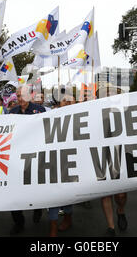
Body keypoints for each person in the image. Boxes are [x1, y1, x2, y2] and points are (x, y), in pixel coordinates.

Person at [8, 85, 46, 235]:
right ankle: (19, 221)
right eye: (17, 96)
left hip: (36, 157)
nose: (20, 98)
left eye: (23, 95)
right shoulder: (12, 112)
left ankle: (38, 208)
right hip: (16, 158)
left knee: (35, 188)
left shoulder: (40, 110)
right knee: (14, 191)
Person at [96, 85, 128, 237]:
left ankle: (120, 210)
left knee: (120, 194)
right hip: (101, 154)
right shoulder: (93, 113)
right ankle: (111, 226)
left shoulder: (124, 113)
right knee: (105, 192)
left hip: (120, 154)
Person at [47, 93, 75, 237]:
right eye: (65, 100)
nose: (68, 102)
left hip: (72, 161)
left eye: (71, 100)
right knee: (53, 193)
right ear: (60, 103)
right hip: (54, 160)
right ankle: (53, 226)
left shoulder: (81, 115)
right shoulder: (52, 114)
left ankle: (68, 217)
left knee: (67, 193)